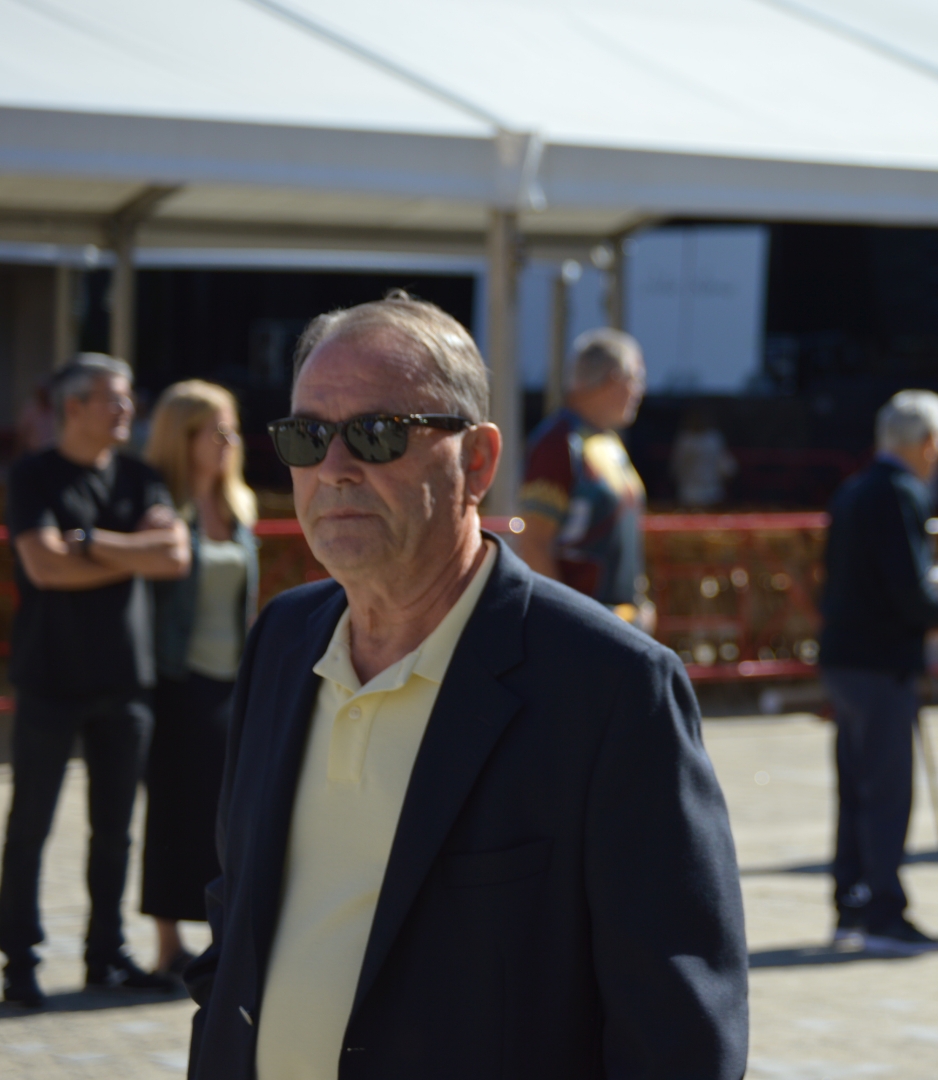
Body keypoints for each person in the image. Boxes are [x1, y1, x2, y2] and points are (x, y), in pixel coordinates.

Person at [185, 293, 747, 1079]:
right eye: (307, 436)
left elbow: (676, 1029)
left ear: (477, 462)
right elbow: (238, 918)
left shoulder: (610, 687)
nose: (334, 469)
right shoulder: (283, 640)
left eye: (376, 435)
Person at [1, 354, 190, 1007]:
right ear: (72, 407)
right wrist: (124, 551)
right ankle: (19, 960)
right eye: (113, 400)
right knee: (31, 826)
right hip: (49, 679)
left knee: (115, 830)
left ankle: (105, 955)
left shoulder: (142, 477)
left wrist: (85, 542)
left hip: (126, 681)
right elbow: (44, 568)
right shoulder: (31, 476)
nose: (127, 411)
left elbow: (174, 557)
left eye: (129, 399)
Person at [818, 389, 938, 955]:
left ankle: (849, 899)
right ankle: (882, 910)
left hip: (844, 659)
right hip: (880, 663)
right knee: (887, 790)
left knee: (855, 783)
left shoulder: (854, 488)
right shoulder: (899, 493)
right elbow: (909, 589)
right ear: (926, 442)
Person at [143, 380, 259, 979]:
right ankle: (166, 944)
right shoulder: (159, 506)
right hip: (176, 680)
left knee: (229, 810)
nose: (229, 441)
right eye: (216, 430)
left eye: (232, 428)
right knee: (173, 810)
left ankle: (224, 932)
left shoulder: (241, 507)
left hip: (232, 680)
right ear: (182, 437)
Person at [516, 328, 653, 629]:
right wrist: (569, 624)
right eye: (637, 378)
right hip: (588, 629)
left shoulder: (607, 442)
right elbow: (535, 543)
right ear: (615, 378)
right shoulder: (559, 442)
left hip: (619, 625)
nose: (640, 390)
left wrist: (639, 603)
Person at [670, 408, 737, 508]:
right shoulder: (714, 439)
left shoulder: (684, 440)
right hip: (710, 494)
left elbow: (674, 469)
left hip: (689, 494)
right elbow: (728, 469)